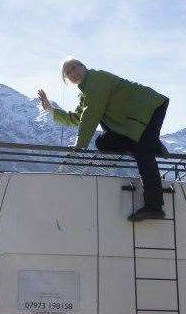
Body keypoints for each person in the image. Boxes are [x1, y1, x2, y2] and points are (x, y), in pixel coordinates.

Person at [38, 58, 170, 221]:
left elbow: (91, 114)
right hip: (133, 122)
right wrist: (52, 110)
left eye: (74, 67)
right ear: (67, 80)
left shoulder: (96, 80)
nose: (72, 73)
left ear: (83, 66)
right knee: (103, 142)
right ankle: (153, 143)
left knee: (143, 153)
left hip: (149, 108)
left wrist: (79, 146)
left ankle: (154, 206)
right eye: (68, 73)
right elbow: (79, 117)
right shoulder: (86, 91)